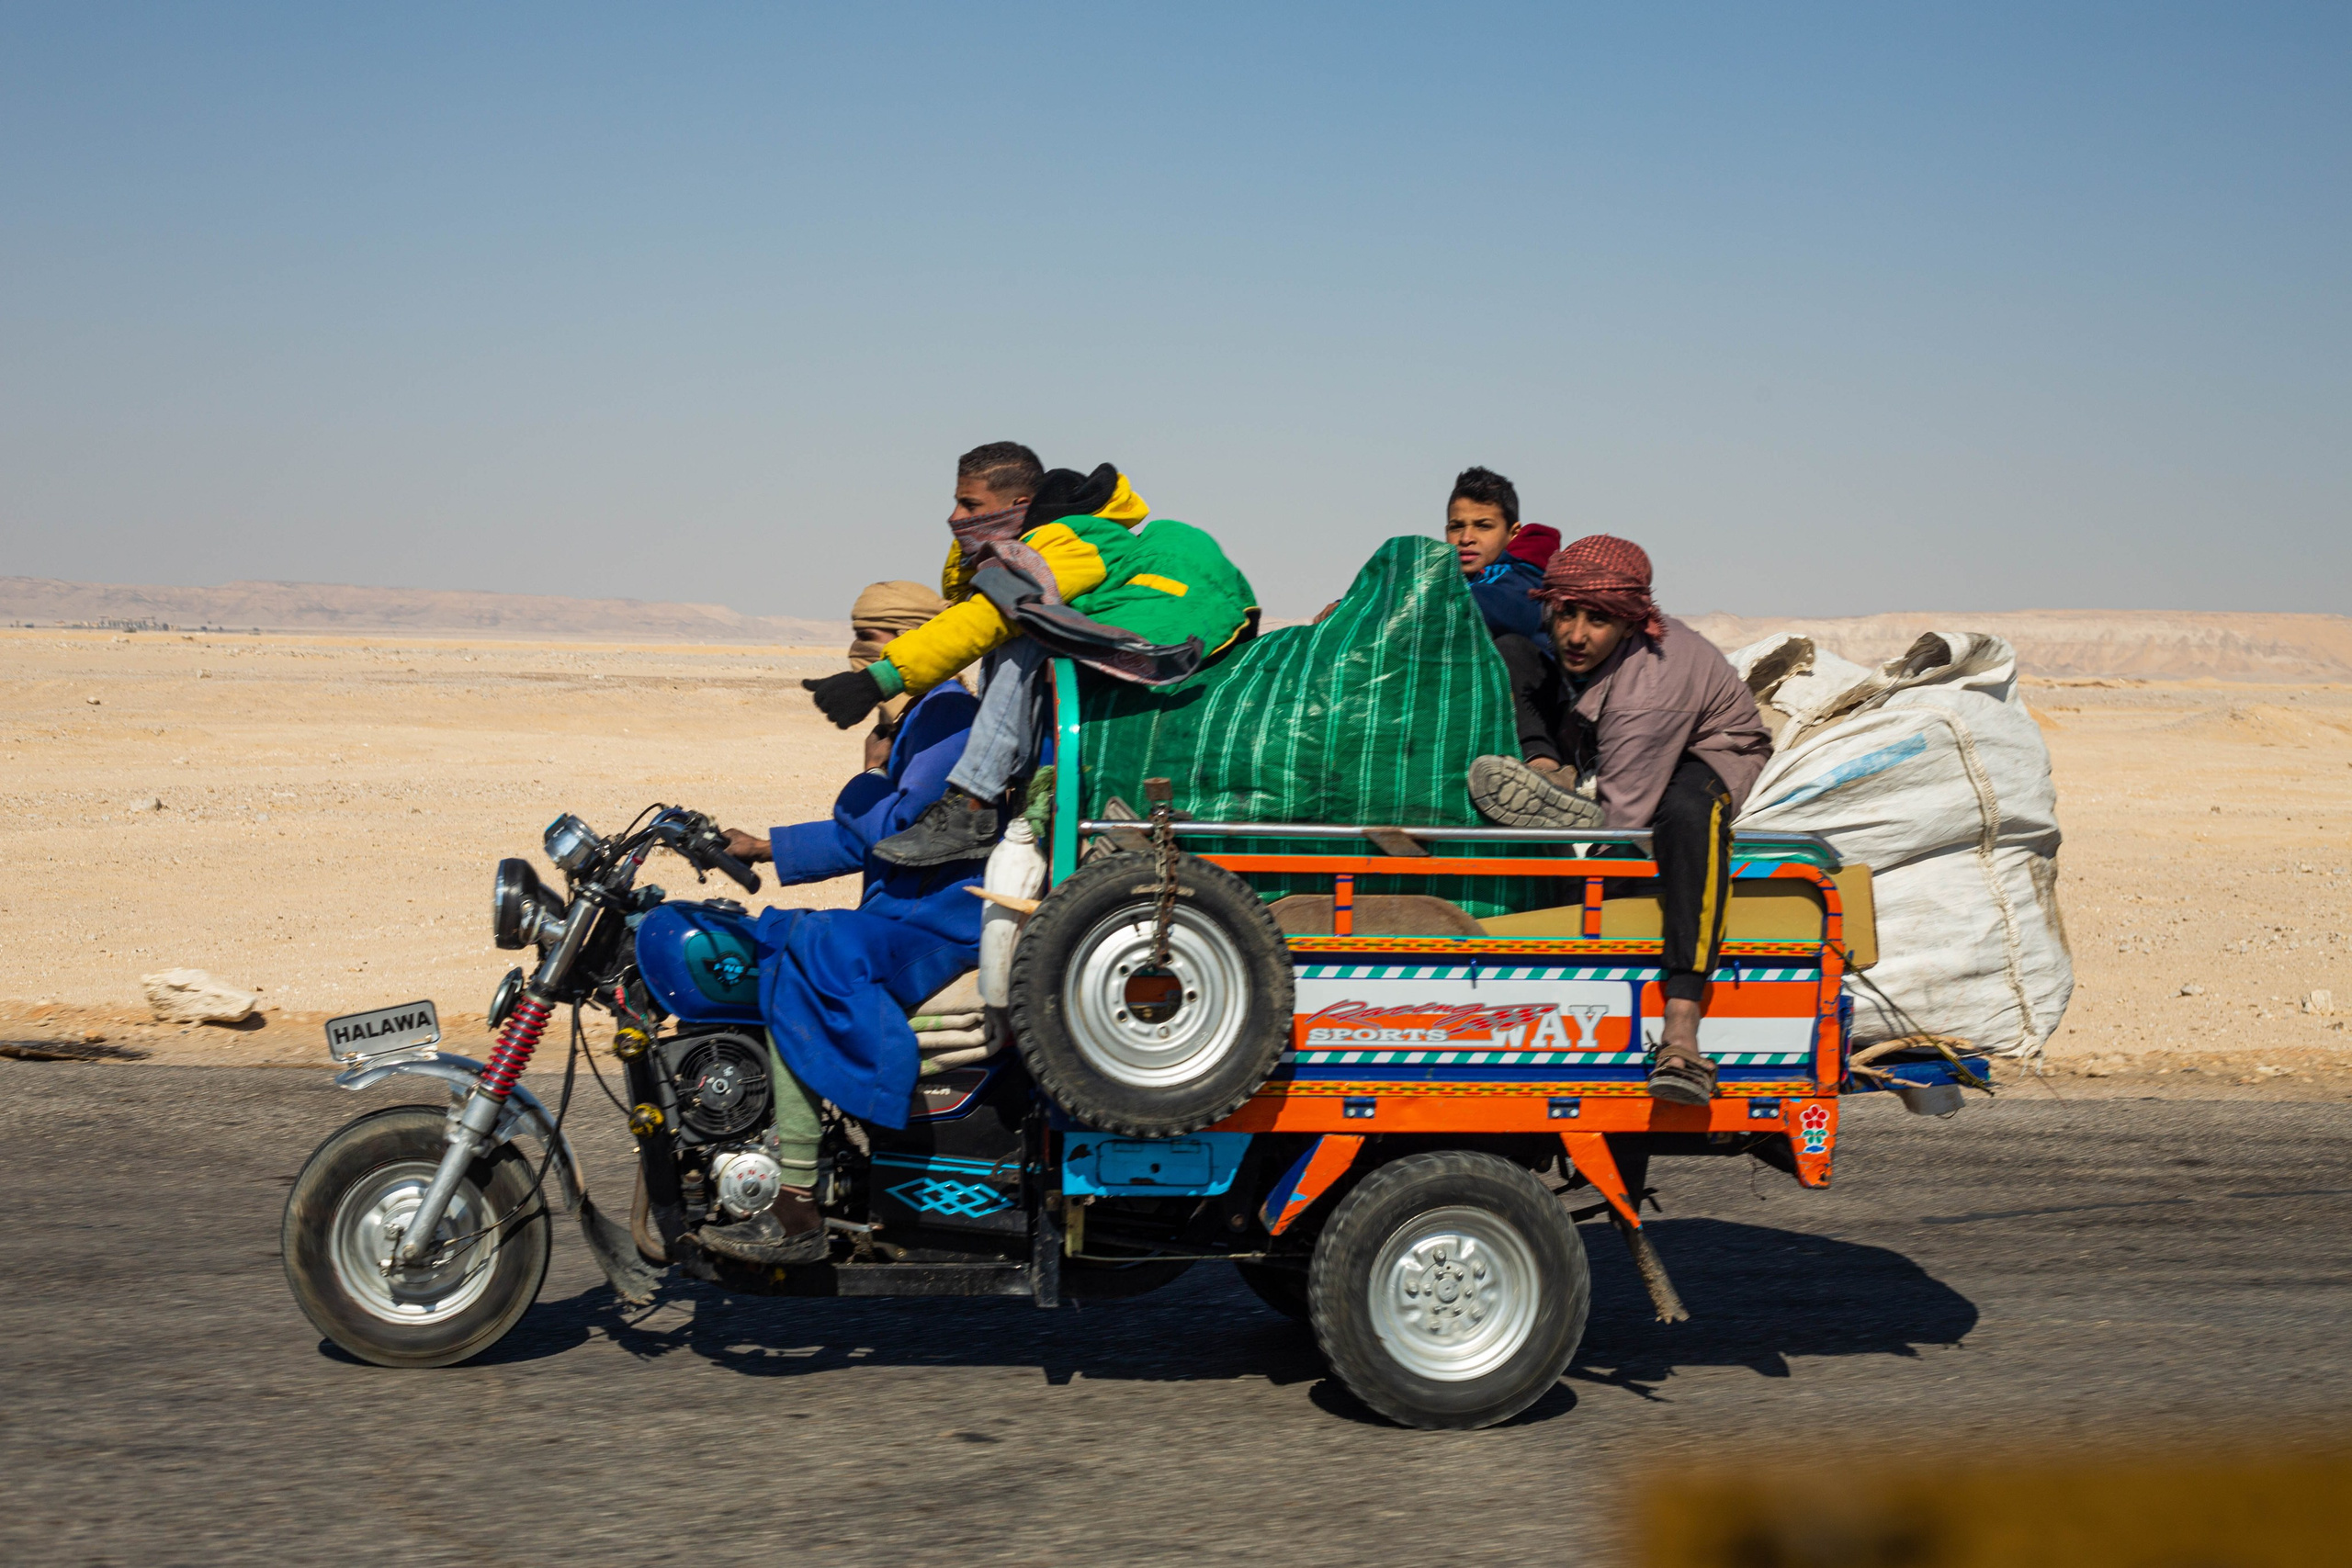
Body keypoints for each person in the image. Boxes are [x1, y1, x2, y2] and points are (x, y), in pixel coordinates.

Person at [802, 445, 1257, 867]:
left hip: (1161, 631)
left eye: (971, 506)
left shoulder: (1076, 538)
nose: (955, 517)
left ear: (1018, 506)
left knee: (1022, 629)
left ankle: (973, 807)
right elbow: (972, 604)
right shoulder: (1037, 541)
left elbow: (987, 616)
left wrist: (878, 679)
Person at [694, 674, 990, 1265]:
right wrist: (761, 847)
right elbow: (870, 838)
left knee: (807, 944)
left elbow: (894, 827)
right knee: (777, 937)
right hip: (912, 912)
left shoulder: (947, 717)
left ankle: (797, 1199)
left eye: (874, 635)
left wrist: (872, 773)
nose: (860, 652)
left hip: (941, 921)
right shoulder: (925, 713)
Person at [1466, 535, 1773, 1105]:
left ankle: (1682, 1023)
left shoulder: (1650, 690)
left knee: (1684, 814)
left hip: (1702, 752)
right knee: (1513, 653)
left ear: (1632, 622)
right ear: (1550, 604)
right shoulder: (1580, 650)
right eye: (1566, 613)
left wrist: (1575, 892)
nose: (1576, 634)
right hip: (1600, 734)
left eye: (1598, 620)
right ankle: (1551, 772)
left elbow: (1624, 829)